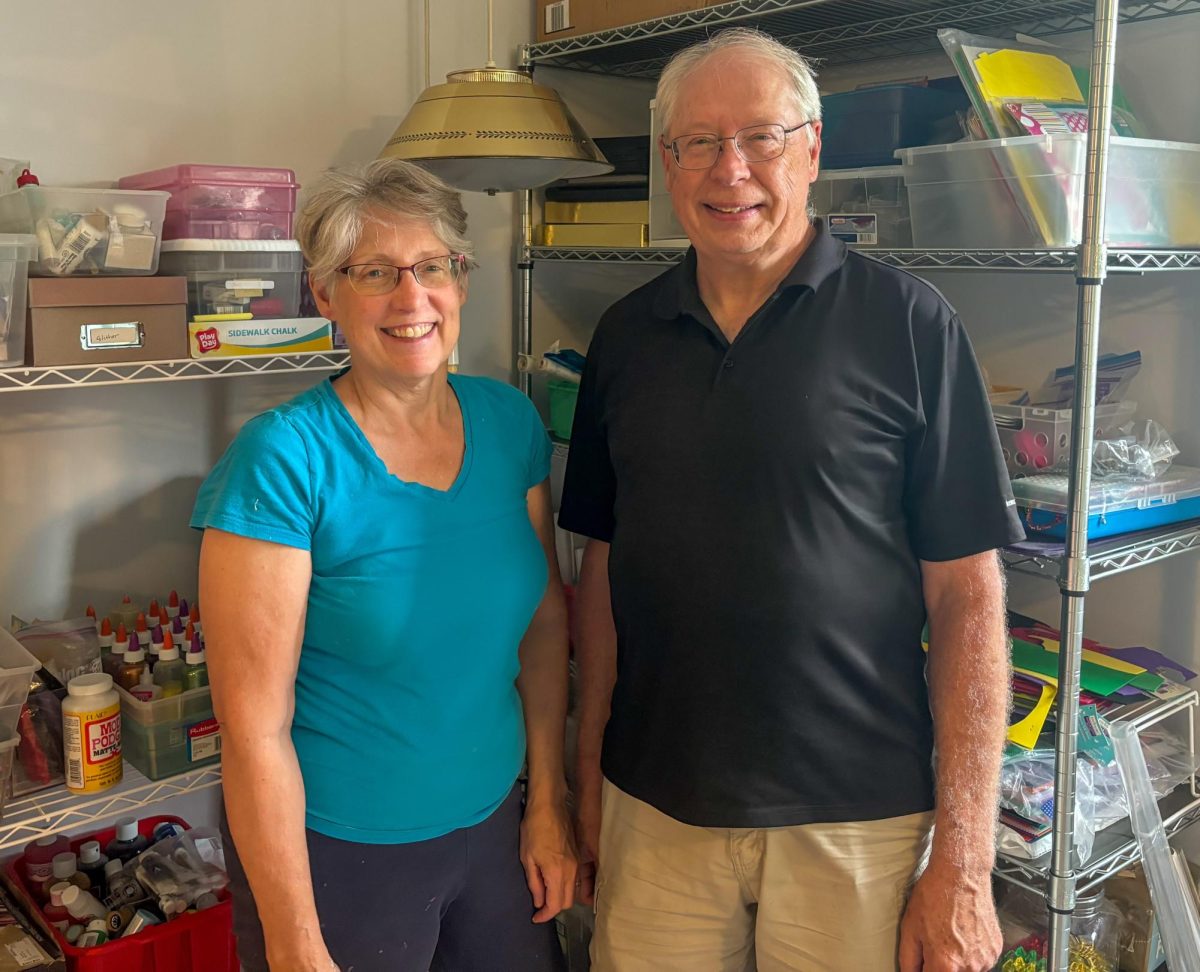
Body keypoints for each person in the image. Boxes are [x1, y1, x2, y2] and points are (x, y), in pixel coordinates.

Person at [559, 28, 1025, 972]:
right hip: (656, 811)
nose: (731, 170)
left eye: (761, 138)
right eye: (698, 142)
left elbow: (969, 600)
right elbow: (601, 571)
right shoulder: (625, 336)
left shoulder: (910, 325)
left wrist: (965, 864)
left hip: (859, 825)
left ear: (812, 150)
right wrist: (586, 777)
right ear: (668, 161)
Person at [192, 158, 575, 972]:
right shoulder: (282, 461)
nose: (412, 299)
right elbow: (252, 731)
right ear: (326, 296)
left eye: (432, 266)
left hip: (493, 831)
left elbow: (542, 626)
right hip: (342, 854)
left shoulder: (509, 424)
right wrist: (296, 941)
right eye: (375, 273)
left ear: (461, 281)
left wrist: (547, 800)